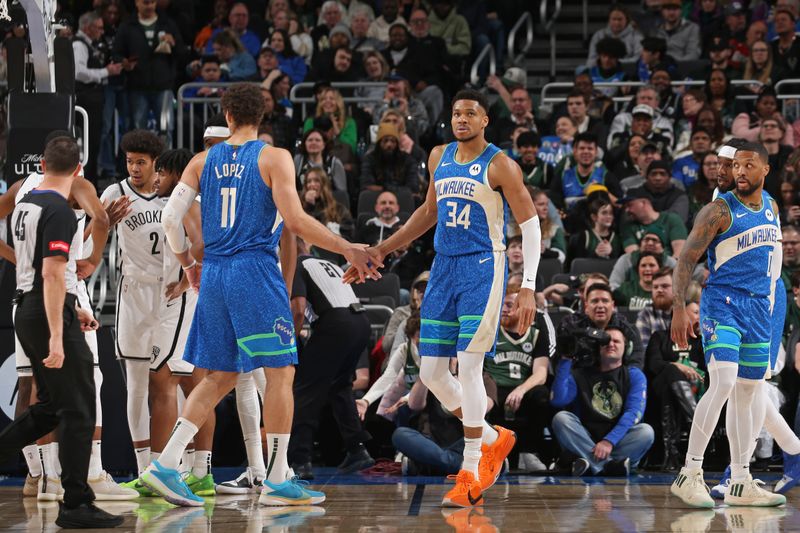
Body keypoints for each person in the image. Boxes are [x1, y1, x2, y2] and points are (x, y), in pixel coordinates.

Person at [139, 82, 377, 507]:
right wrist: (347, 248)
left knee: (220, 376)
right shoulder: (274, 157)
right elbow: (296, 220)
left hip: (214, 273)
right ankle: (277, 478)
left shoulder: (202, 160)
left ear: (227, 115)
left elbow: (170, 219)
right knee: (281, 372)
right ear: (262, 116)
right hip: (254, 270)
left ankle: (164, 464)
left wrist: (191, 267)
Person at [344, 89, 540, 507]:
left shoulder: (500, 164)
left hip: (484, 267)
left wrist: (528, 287)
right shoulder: (438, 156)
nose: (461, 118)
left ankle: (471, 469)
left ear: (485, 120)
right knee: (431, 373)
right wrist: (383, 248)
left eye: (470, 112)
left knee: (468, 366)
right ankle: (491, 437)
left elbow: (531, 223)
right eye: (456, 113)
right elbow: (427, 213)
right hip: (445, 267)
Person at [0, 136, 123, 528]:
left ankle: (63, 489)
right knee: (80, 406)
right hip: (48, 307)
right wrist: (58, 333)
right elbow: (53, 273)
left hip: (29, 306)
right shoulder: (59, 209)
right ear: (78, 170)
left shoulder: (24, 200)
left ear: (41, 165)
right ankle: (76, 502)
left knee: (50, 407)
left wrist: (74, 311)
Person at [670, 142, 785, 508]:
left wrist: (771, 306)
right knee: (721, 382)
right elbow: (686, 259)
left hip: (757, 307)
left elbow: (774, 264)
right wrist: (677, 308)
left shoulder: (772, 207)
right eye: (736, 166)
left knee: (749, 391)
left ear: (765, 170)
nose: (740, 172)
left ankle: (740, 480)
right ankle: (689, 473)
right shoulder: (719, 209)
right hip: (722, 303)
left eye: (748, 165)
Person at [99, 130, 166, 482]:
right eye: (129, 161)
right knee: (137, 385)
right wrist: (105, 223)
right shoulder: (116, 193)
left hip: (172, 295)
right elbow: (90, 237)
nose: (134, 168)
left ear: (156, 163)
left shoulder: (173, 191)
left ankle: (173, 465)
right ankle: (144, 469)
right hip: (136, 294)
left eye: (141, 162)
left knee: (170, 383)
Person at [288, 244, 374, 479]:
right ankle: (357, 449)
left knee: (305, 390)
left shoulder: (295, 264)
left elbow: (298, 309)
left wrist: (290, 341)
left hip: (335, 323)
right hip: (361, 321)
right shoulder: (329, 264)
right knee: (340, 386)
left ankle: (300, 460)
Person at [551, 327, 653, 476]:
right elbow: (558, 401)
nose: (611, 344)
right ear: (598, 347)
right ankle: (611, 466)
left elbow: (633, 413)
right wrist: (566, 360)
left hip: (618, 441)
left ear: (627, 348)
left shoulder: (634, 375)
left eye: (617, 341)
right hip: (587, 438)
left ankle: (590, 464)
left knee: (646, 432)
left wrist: (609, 441)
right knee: (561, 419)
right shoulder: (580, 374)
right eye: (606, 341)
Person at [483, 285, 555, 472]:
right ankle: (492, 453)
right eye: (502, 305)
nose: (504, 309)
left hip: (522, 388)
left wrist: (521, 390)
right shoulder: (490, 331)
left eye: (510, 304)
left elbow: (541, 372)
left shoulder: (537, 333)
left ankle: (529, 453)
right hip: (495, 388)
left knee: (541, 394)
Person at [567, 193, 622, 265]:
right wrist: (595, 255)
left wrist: (611, 253)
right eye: (604, 213)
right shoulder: (584, 237)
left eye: (611, 213)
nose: (608, 216)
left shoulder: (617, 238)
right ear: (594, 217)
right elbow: (577, 265)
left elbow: (622, 265)